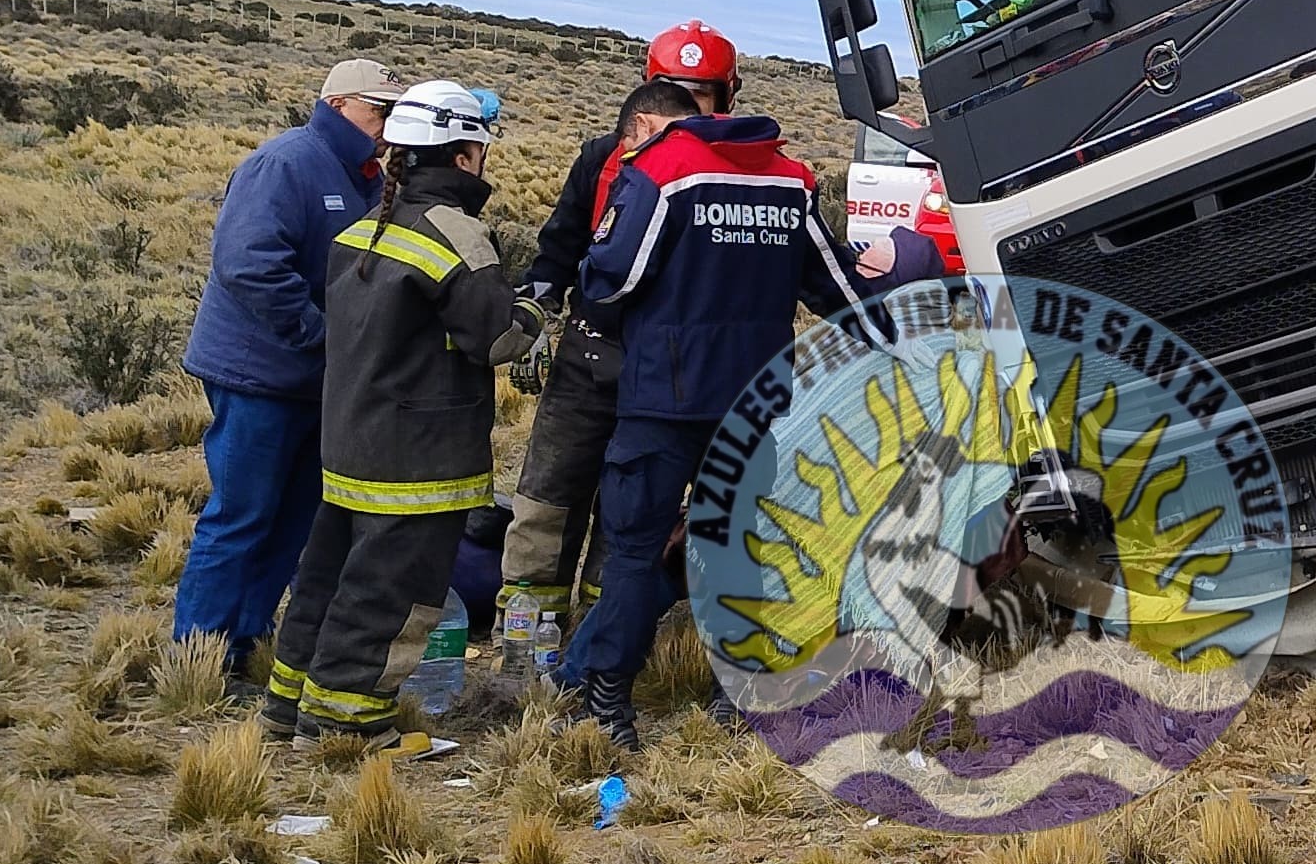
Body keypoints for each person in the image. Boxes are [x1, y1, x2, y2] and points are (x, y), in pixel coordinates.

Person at [555, 46, 929, 749]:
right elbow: (833, 287)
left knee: (635, 553)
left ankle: (609, 704)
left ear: (652, 124)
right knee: (742, 550)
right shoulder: (790, 180)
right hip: (753, 403)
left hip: (662, 400)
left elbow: (613, 276)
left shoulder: (658, 173)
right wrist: (895, 337)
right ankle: (742, 698)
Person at [265, 82, 530, 739]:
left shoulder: (361, 229)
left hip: (352, 444)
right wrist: (533, 308)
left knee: (325, 584)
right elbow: (498, 338)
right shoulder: (456, 235)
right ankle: (345, 730)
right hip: (418, 460)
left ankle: (285, 709)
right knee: (390, 599)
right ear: (467, 155)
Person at [175, 57, 398, 687]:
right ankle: (198, 658)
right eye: (377, 109)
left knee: (294, 518)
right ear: (337, 105)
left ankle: (243, 640)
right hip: (258, 375)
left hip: (316, 381)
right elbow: (247, 263)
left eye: (390, 112)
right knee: (242, 514)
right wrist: (320, 335)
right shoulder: (287, 163)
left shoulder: (367, 176)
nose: (385, 123)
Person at [501, 61, 727, 631]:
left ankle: (605, 631)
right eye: (682, 94)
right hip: (587, 354)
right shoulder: (600, 158)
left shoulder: (725, 169)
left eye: (703, 95)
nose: (692, 110)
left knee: (628, 505)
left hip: (661, 370)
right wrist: (534, 315)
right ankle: (529, 630)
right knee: (549, 491)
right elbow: (559, 244)